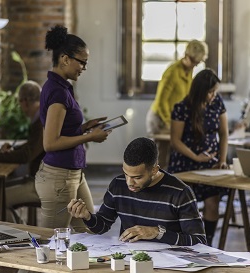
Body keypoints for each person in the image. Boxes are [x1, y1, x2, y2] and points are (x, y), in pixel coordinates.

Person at [35, 25, 110, 232]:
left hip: (73, 174)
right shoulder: (57, 92)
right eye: (82, 62)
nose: (84, 68)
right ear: (65, 59)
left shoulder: (62, 87)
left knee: (87, 233)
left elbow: (62, 130)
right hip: (59, 178)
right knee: (51, 244)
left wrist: (85, 127)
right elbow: (50, 143)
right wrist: (89, 137)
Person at [67, 137, 206, 246]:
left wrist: (157, 232)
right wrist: (87, 216)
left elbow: (199, 241)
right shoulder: (118, 185)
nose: (129, 182)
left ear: (154, 170)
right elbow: (102, 226)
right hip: (130, 259)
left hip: (171, 263)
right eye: (126, 174)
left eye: (137, 177)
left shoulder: (180, 192)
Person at [167, 69, 229, 246]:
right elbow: (175, 141)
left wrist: (222, 160)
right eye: (210, 92)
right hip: (185, 163)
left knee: (212, 203)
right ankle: (184, 240)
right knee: (185, 205)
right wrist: (195, 157)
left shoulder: (217, 103)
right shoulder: (181, 107)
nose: (213, 95)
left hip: (210, 164)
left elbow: (224, 134)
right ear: (200, 90)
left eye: (215, 91)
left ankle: (206, 243)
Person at [0, 81, 44, 216]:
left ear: (24, 102)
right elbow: (34, 145)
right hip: (38, 179)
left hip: (40, 185)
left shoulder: (41, 121)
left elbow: (26, 156)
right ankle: (19, 230)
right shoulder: (40, 118)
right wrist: (14, 148)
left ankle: (19, 235)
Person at [146, 40, 208, 169]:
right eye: (194, 62)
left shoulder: (188, 70)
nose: (195, 65)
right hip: (160, 119)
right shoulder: (172, 73)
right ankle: (154, 187)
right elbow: (162, 102)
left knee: (171, 157)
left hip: (173, 118)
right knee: (160, 159)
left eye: (198, 63)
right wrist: (171, 123)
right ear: (186, 56)